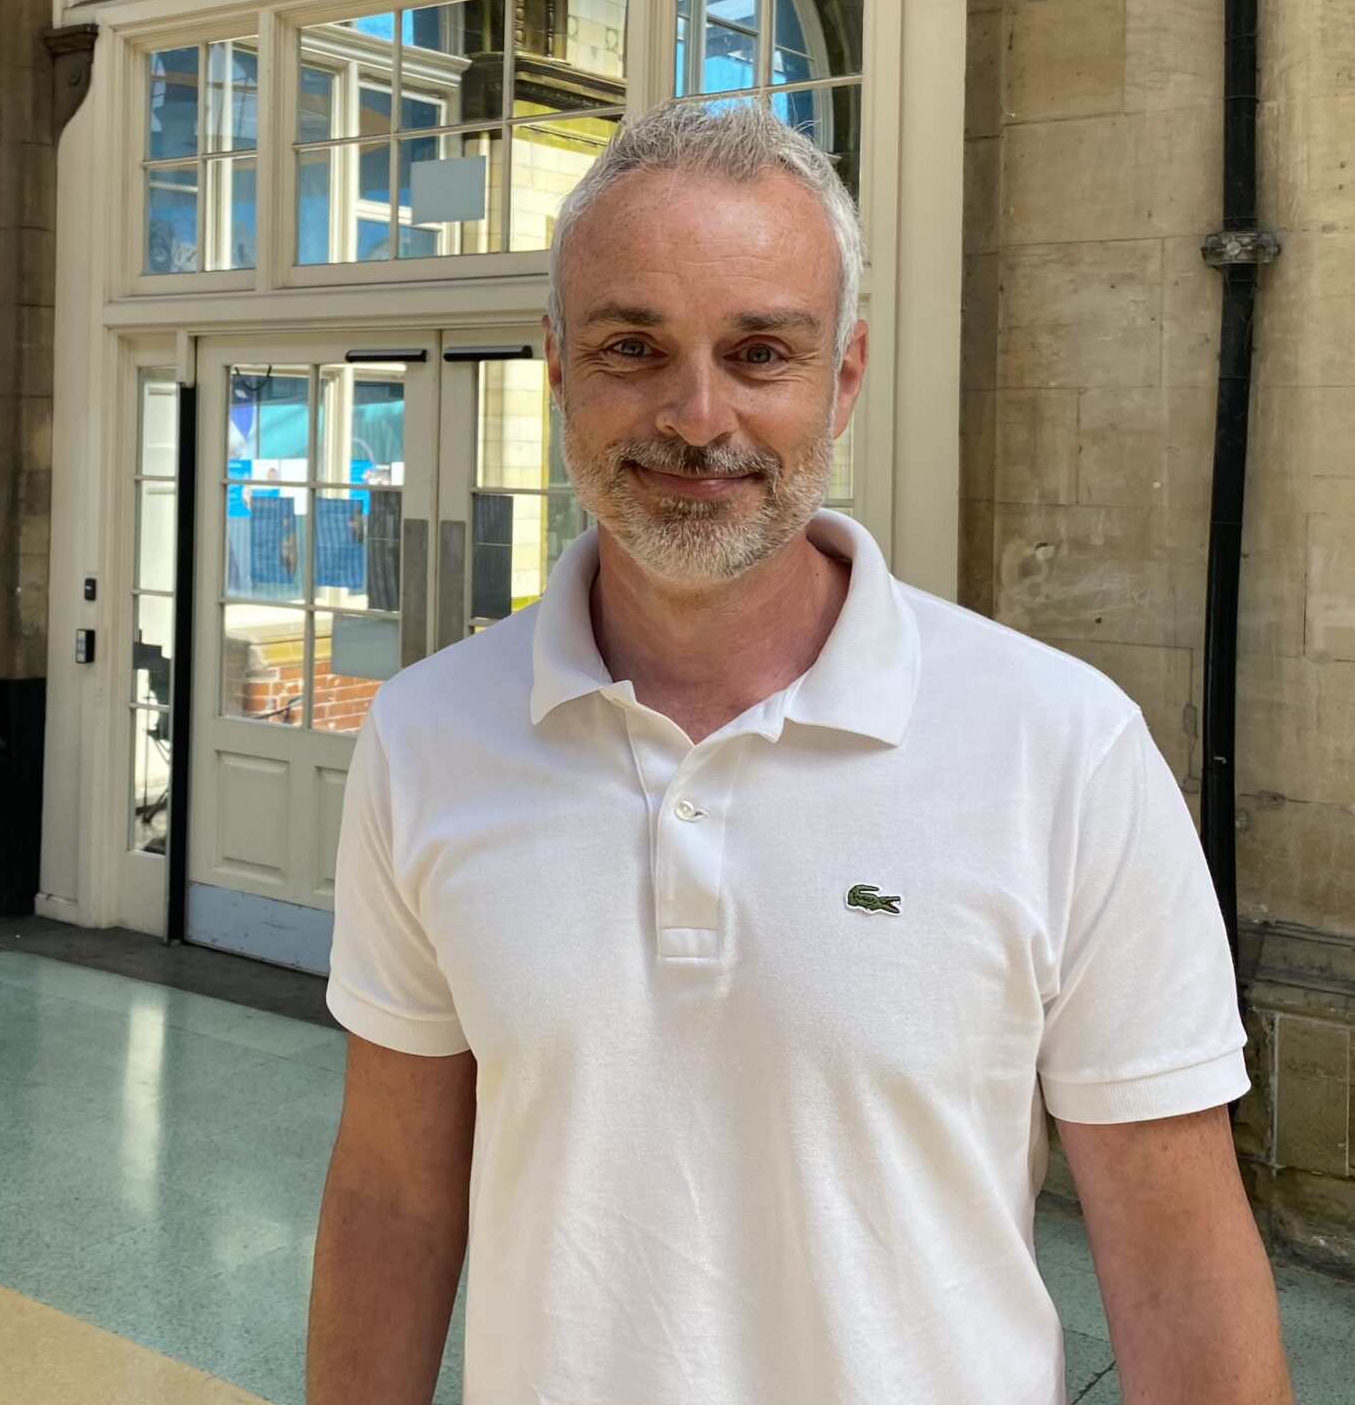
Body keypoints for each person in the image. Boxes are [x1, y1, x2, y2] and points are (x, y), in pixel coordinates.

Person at [308, 101, 1293, 1405]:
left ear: (846, 375)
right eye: (631, 348)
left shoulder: (1063, 752)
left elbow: (1175, 1268)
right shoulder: (430, 739)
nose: (696, 416)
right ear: (556, 368)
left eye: (760, 351)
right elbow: (391, 1202)